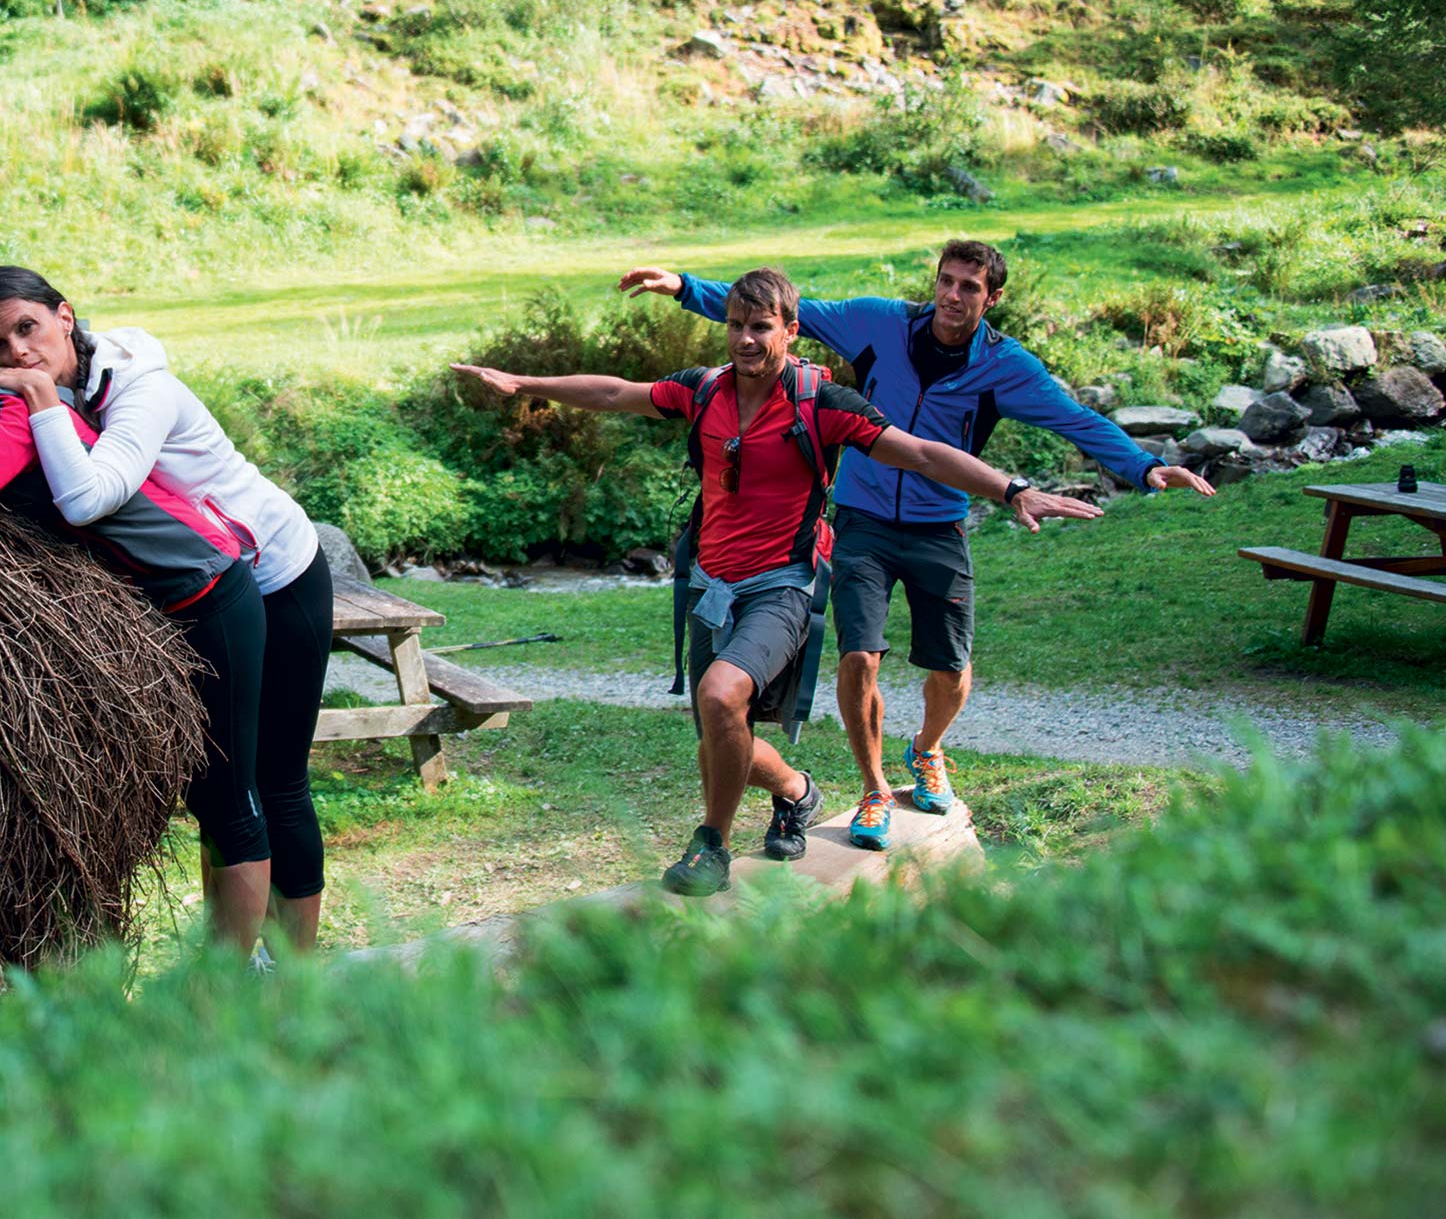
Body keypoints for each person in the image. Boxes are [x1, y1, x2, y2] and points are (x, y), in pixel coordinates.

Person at [450, 266, 1104, 897]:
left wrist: (1010, 487)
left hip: (783, 585)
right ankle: (797, 793)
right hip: (711, 584)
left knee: (719, 693)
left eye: (760, 326)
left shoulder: (823, 404)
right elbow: (616, 392)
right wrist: (522, 382)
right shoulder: (704, 390)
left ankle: (711, 846)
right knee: (717, 734)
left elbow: (924, 452)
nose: (744, 339)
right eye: (736, 325)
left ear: (791, 329)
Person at [620, 240, 1212, 851]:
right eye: (946, 281)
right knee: (859, 657)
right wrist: (685, 287)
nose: (953, 295)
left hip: (939, 522)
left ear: (993, 298)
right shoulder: (881, 324)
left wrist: (1143, 467)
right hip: (860, 519)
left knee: (951, 667)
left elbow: (1072, 417)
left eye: (970, 287)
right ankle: (874, 788)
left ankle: (928, 748)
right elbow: (789, 313)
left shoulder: (1005, 366)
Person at [0, 290, 277, 952]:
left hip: (204, 593)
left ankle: (232, 986)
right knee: (205, 796)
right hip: (154, 608)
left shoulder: (3, 416)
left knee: (226, 797)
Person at [0, 266, 336, 953]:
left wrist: (41, 398)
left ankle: (296, 967)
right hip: (216, 589)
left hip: (278, 574)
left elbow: (88, 496)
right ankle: (242, 957)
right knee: (223, 784)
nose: (16, 352)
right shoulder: (65, 391)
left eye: (28, 328)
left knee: (275, 780)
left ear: (65, 316)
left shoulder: (142, 389)